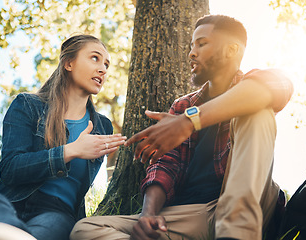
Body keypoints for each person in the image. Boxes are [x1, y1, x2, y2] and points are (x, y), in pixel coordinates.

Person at [70, 15, 294, 240]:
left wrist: (190, 122)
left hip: (249, 207)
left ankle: (235, 235)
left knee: (256, 110)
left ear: (232, 49)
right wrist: (147, 215)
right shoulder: (183, 105)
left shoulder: (257, 83)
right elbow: (166, 164)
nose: (192, 53)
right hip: (192, 214)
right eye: (191, 45)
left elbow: (278, 86)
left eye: (202, 44)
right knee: (85, 230)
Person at [0, 34, 126, 240]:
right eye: (95, 58)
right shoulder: (27, 105)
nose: (103, 69)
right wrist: (70, 151)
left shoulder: (102, 126)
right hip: (7, 200)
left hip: (57, 212)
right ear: (68, 63)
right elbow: (10, 169)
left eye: (106, 64)